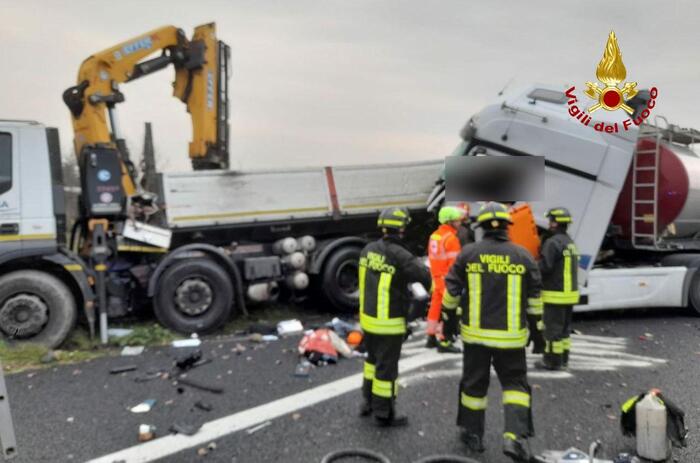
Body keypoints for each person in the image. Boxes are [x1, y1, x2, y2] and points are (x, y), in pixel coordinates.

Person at [441, 202, 542, 462]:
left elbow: (451, 293)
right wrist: (538, 333)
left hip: (475, 337)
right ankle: (514, 437)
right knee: (515, 385)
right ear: (508, 227)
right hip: (511, 339)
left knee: (474, 384)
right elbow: (534, 300)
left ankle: (473, 435)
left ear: (482, 227)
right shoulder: (523, 256)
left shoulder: (468, 254)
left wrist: (449, 322)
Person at [359, 206, 432, 427]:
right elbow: (424, 277)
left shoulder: (368, 250)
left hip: (368, 319)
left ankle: (367, 402)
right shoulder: (400, 254)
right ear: (401, 229)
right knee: (386, 369)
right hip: (388, 323)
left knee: (372, 362)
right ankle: (384, 413)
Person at [535, 207, 579, 371]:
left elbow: (545, 267)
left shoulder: (552, 243)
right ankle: (563, 359)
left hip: (555, 294)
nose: (549, 223)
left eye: (550, 220)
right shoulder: (569, 242)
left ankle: (552, 361)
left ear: (555, 223)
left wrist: (532, 267)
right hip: (570, 294)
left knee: (552, 330)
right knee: (564, 330)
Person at [505, 201, 545, 354]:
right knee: (534, 317)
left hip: (520, 289)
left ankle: (535, 340)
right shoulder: (524, 252)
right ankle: (537, 340)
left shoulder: (514, 248)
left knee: (527, 316)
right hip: (529, 289)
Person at [425, 206, 464, 353]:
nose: (459, 223)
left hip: (436, 277)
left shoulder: (435, 235)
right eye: (457, 220)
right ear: (449, 221)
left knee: (435, 306)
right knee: (448, 310)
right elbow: (456, 265)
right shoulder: (451, 239)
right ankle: (444, 339)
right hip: (448, 280)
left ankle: (431, 335)